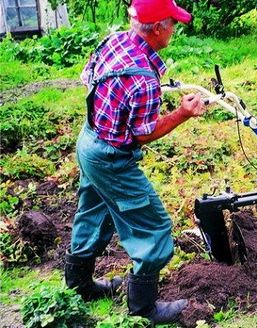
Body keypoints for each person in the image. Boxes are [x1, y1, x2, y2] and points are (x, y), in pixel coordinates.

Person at [64, 0, 205, 324]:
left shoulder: (113, 41)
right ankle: (144, 308)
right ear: (158, 28)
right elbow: (143, 133)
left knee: (94, 212)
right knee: (153, 224)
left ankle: (80, 286)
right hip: (111, 158)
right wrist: (182, 113)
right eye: (173, 23)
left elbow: (88, 77)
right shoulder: (143, 79)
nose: (175, 28)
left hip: (89, 142)